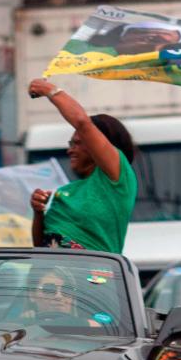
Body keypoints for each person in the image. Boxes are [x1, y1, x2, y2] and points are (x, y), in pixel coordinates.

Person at [27, 78, 138, 254]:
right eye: (71, 143)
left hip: (93, 278)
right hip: (50, 278)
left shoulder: (116, 179)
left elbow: (82, 122)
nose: (70, 150)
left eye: (78, 143)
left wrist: (51, 90)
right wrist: (38, 213)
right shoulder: (66, 191)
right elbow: (42, 248)